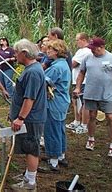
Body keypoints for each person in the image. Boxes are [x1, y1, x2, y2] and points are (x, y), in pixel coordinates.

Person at [73, 37, 112, 159]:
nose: (92, 51)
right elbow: (81, 73)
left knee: (110, 117)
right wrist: (78, 87)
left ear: (101, 47)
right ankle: (90, 139)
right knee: (92, 116)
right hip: (90, 93)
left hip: (107, 94)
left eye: (93, 48)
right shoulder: (87, 58)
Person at [10, 39, 47, 191]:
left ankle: (30, 183)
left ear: (24, 53)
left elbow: (29, 99)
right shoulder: (31, 68)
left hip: (31, 119)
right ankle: (27, 175)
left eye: (16, 52)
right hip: (29, 117)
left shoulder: (32, 72)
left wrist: (20, 118)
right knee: (28, 147)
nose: (14, 55)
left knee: (31, 148)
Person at [40, 39, 71, 172]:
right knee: (59, 129)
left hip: (54, 102)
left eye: (51, 49)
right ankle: (60, 155)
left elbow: (43, 81)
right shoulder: (62, 64)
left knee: (52, 130)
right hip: (62, 102)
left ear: (57, 52)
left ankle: (53, 162)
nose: (48, 51)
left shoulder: (57, 67)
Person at [66, 32, 92, 134]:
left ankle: (84, 125)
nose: (76, 42)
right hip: (76, 80)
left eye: (77, 40)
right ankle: (77, 121)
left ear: (84, 40)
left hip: (83, 81)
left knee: (83, 102)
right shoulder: (81, 51)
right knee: (76, 101)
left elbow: (72, 63)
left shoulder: (85, 51)